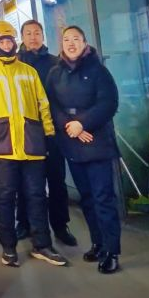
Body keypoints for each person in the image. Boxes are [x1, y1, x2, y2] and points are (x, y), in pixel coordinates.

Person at [0, 20, 67, 268]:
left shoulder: (28, 71)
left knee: (37, 195)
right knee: (4, 197)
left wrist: (48, 133)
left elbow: (43, 104)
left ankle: (42, 245)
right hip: (2, 145)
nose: (6, 45)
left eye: (9, 41)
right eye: (1, 41)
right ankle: (8, 247)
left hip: (32, 144)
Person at [46, 26, 121, 274]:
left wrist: (83, 123)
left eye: (76, 39)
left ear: (84, 43)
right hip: (72, 142)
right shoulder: (55, 74)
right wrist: (71, 127)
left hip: (97, 142)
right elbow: (51, 105)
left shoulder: (98, 70)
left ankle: (112, 250)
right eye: (66, 39)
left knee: (103, 198)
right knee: (86, 198)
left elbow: (108, 103)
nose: (71, 43)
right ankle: (98, 243)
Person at [17, 19, 76, 246]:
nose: (33, 37)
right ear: (22, 37)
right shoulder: (15, 63)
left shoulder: (56, 63)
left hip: (53, 131)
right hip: (25, 132)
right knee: (26, 181)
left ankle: (60, 225)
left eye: (37, 33)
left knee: (56, 179)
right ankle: (24, 223)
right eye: (28, 33)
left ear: (43, 36)